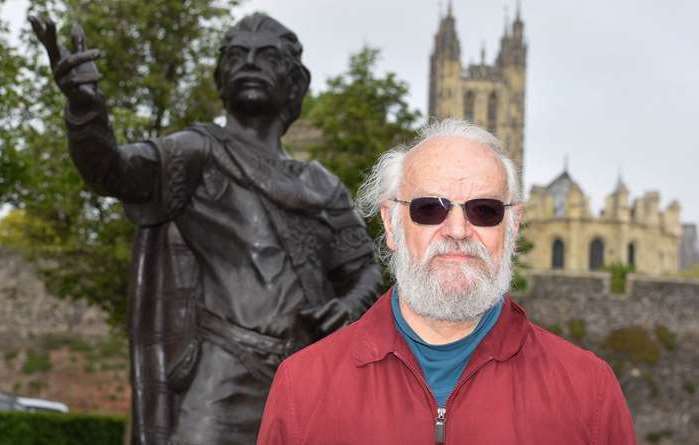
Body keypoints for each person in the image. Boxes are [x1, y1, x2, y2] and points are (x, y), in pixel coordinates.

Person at [29, 13, 381, 444]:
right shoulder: (196, 152)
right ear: (221, 78)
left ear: (295, 83)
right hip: (225, 373)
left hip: (306, 377)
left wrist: (348, 307)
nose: (249, 63)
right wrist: (85, 108)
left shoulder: (322, 185)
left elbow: (365, 268)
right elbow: (110, 170)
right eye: (236, 55)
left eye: (267, 56)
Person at [257, 119, 637, 444]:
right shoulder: (302, 387)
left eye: (484, 211)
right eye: (429, 209)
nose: (457, 230)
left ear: (513, 226)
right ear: (391, 224)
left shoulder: (589, 391)